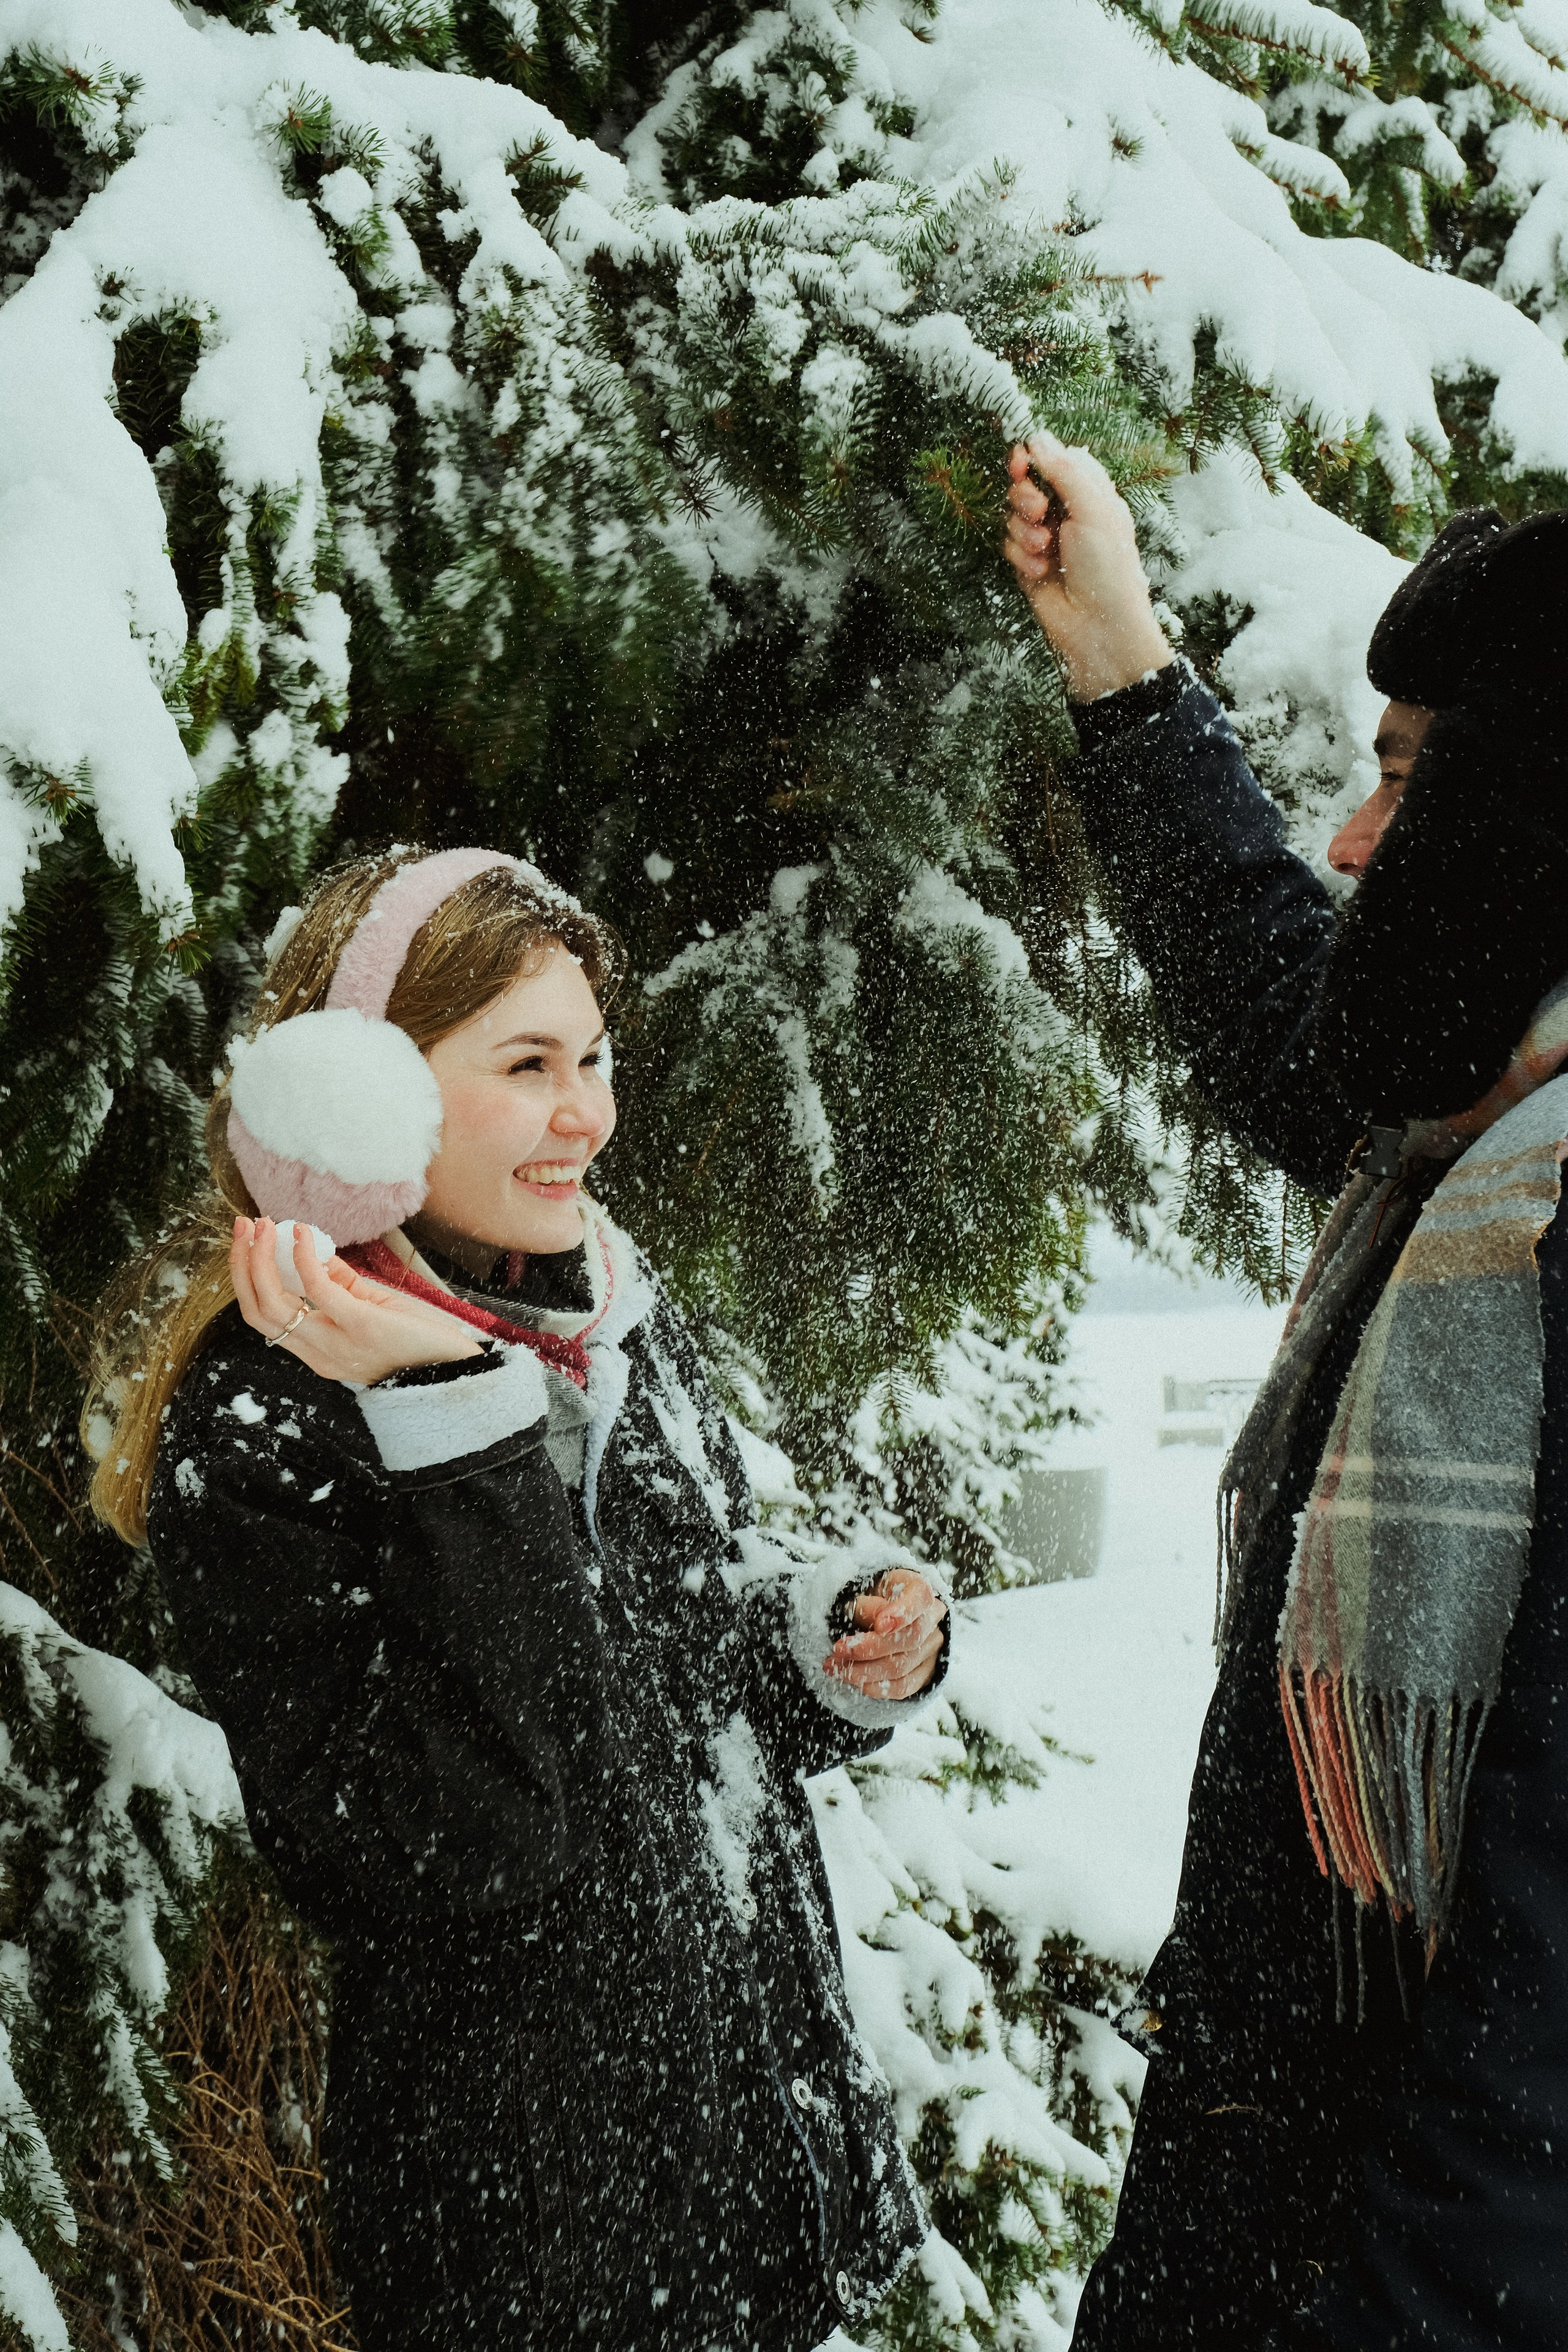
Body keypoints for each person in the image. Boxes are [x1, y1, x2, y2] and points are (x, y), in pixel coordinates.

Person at [87, 846, 952, 2352]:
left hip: (738, 2167)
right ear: (359, 1098)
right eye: (529, 1064)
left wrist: (830, 1636)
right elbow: (450, 1834)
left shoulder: (600, 1314)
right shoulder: (269, 1417)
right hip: (535, 2241)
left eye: (593, 1058)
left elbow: (667, 1651)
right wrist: (458, 1432)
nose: (588, 1113)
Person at [1004, 442, 1568, 2349]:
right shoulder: (1479, 1138)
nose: (1350, 838)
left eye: (1409, 781)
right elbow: (1286, 1004)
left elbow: (1549, 2008)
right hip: (1269, 2217)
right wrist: (1119, 659)